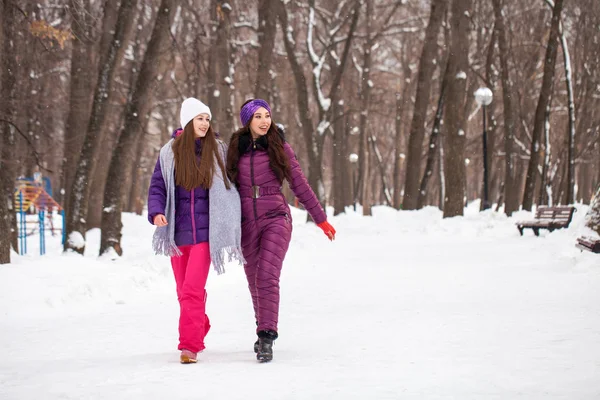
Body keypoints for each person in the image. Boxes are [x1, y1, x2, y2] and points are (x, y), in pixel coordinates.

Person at [226, 98, 336, 362]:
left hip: (276, 217)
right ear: (247, 122)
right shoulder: (235, 150)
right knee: (254, 280)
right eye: (258, 117)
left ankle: (266, 337)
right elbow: (224, 187)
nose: (265, 121)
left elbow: (299, 184)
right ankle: (261, 328)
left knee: (266, 274)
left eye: (267, 115)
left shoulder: (280, 147)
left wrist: (320, 218)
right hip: (246, 222)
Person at [148, 98, 244, 364]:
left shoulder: (218, 151)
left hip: (205, 235)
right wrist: (157, 212)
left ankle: (189, 346)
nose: (204, 123)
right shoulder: (169, 153)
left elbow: (234, 183)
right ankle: (199, 323)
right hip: (176, 235)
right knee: (183, 292)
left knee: (191, 289)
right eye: (200, 118)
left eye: (207, 119)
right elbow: (158, 185)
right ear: (187, 120)